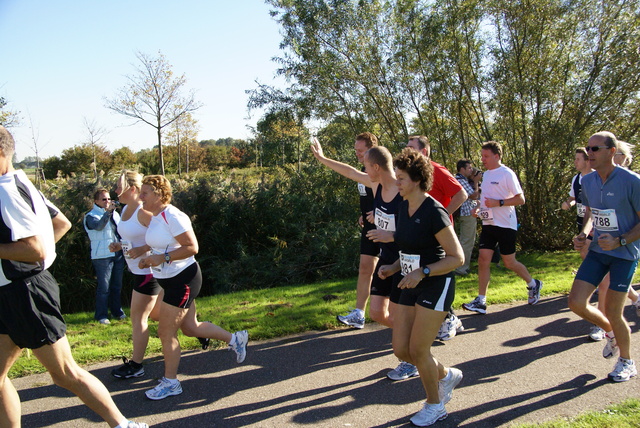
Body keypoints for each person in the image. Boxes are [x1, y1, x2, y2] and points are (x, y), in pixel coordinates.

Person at [0, 126, 148, 428]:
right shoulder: (19, 183)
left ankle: (123, 425)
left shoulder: (6, 191)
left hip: (25, 294)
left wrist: (37, 263)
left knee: (65, 373)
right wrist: (40, 261)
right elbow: (61, 222)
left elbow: (35, 249)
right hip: (11, 291)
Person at [137, 175, 248, 400]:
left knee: (166, 332)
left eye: (145, 193)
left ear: (159, 194)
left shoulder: (174, 216)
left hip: (183, 280)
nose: (141, 197)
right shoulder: (156, 216)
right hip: (169, 279)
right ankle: (235, 339)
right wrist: (145, 254)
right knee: (191, 328)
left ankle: (171, 383)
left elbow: (192, 247)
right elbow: (160, 242)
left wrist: (162, 258)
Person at [377, 148, 464, 426]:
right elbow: (406, 245)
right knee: (402, 350)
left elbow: (457, 258)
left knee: (419, 350)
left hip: (435, 283)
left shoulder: (434, 211)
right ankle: (447, 375)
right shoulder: (403, 205)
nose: (397, 183)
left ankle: (435, 405)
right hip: (408, 279)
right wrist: (392, 267)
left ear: (416, 180)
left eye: (400, 178)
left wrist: (424, 271)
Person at [107, 171, 210, 379]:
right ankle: (195, 328)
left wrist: (149, 253)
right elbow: (142, 238)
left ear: (132, 189)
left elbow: (163, 238)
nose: (115, 191)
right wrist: (122, 246)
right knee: (162, 317)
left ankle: (138, 365)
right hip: (142, 269)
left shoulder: (145, 212)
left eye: (119, 187)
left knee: (140, 319)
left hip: (149, 272)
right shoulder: (126, 209)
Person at [570, 131, 640, 382]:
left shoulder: (632, 181)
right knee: (576, 302)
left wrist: (620, 240)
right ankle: (611, 334)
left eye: (595, 149)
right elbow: (591, 214)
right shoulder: (587, 181)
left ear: (612, 151)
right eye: (588, 148)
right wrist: (584, 235)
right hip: (598, 251)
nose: (590, 153)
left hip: (624, 254)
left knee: (613, 310)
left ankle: (627, 361)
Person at [463, 141, 543, 314]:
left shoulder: (507, 174)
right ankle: (481, 301)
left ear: (497, 156)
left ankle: (533, 284)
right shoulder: (487, 176)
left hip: (506, 225)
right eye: (482, 156)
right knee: (483, 260)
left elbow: (520, 199)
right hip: (489, 224)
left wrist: (499, 203)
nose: (482, 159)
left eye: (486, 156)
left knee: (509, 262)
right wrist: (478, 209)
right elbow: (486, 199)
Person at [310, 133, 380, 329]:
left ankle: (428, 315)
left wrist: (379, 211)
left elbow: (393, 196)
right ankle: (359, 314)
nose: (357, 153)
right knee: (365, 268)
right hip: (370, 226)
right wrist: (365, 213)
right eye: (355, 150)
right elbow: (354, 176)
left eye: (360, 150)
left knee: (390, 272)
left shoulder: (381, 171)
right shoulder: (363, 171)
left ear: (371, 150)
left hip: (388, 228)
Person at [405, 136, 466, 341]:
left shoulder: (436, 170)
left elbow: (461, 194)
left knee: (441, 269)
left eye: (412, 148)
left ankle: (448, 317)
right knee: (423, 272)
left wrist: (442, 216)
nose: (408, 151)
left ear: (424, 152)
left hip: (438, 232)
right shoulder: (410, 176)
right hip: (421, 230)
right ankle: (448, 316)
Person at [561, 148, 608, 341]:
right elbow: (580, 203)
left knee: (606, 281)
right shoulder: (580, 180)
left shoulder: (608, 178)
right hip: (587, 227)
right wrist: (568, 204)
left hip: (608, 234)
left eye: (578, 159)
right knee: (587, 258)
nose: (575, 162)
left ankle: (602, 324)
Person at [84, 188, 126, 324]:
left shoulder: (115, 214)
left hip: (117, 254)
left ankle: (117, 312)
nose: (107, 202)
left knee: (117, 286)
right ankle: (101, 315)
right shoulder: (91, 216)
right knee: (104, 288)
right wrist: (108, 213)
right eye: (104, 199)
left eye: (109, 199)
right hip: (102, 256)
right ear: (96, 201)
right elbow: (99, 227)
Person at [453, 159, 481, 276]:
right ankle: (461, 269)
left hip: (468, 213)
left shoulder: (463, 180)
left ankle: (462, 266)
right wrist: (475, 182)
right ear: (462, 169)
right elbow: (474, 195)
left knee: (466, 240)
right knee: (467, 241)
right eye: (469, 168)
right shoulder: (460, 180)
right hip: (467, 213)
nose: (471, 170)